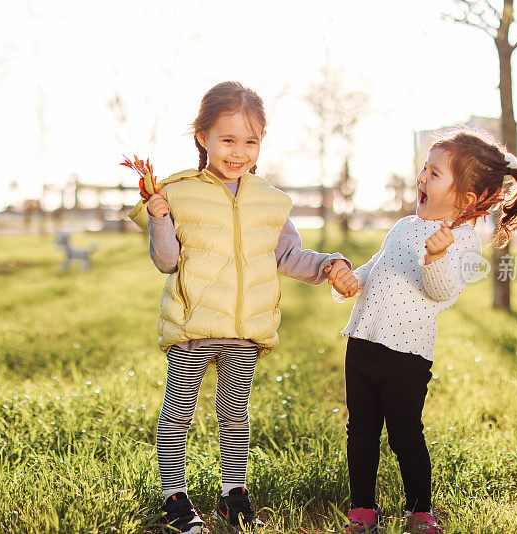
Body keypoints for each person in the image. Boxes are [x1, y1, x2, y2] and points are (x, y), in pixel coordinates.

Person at [127, 81, 357, 534]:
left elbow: (290, 256)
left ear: (261, 143)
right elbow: (167, 260)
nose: (238, 152)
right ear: (202, 138)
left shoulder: (269, 201)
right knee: (180, 411)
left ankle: (234, 495)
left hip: (245, 331)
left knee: (235, 413)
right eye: (227, 139)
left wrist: (329, 264)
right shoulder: (177, 192)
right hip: (194, 326)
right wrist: (158, 218)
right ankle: (176, 498)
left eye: (249, 141)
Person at [327, 130, 517, 533]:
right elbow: (377, 269)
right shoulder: (404, 226)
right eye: (424, 168)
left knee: (405, 435)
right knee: (361, 432)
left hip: (407, 355)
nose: (422, 177)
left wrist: (436, 257)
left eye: (435, 172)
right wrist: (350, 281)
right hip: (363, 344)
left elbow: (441, 291)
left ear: (467, 199)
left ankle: (420, 509)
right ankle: (363, 509)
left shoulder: (465, 244)